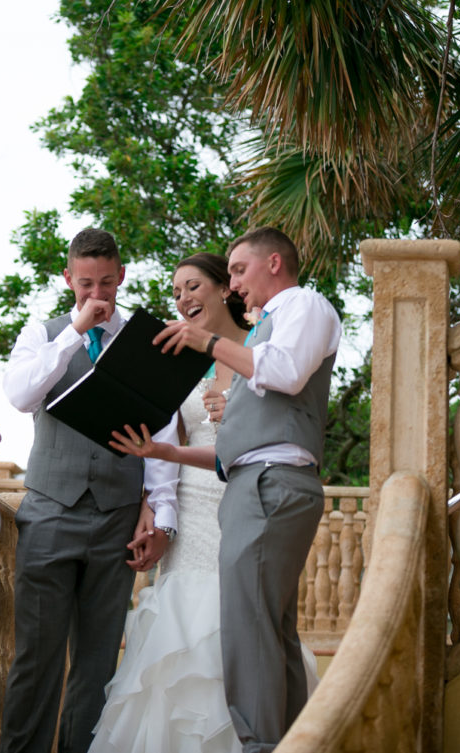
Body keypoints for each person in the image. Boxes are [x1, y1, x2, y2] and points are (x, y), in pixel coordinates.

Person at [110, 228, 341, 753]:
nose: (235, 284)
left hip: (268, 483)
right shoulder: (267, 328)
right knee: (267, 629)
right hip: (247, 480)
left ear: (274, 263)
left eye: (238, 270)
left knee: (248, 629)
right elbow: (230, 444)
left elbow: (281, 372)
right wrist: (165, 454)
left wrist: (210, 343)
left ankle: (259, 745)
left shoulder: (302, 304)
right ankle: (285, 741)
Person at [0, 227, 180, 753]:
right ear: (67, 279)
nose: (96, 294)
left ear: (121, 276)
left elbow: (162, 431)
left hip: (117, 518)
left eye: (105, 283)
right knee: (37, 657)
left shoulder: (147, 342)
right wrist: (75, 332)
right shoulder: (43, 333)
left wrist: (160, 514)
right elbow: (20, 394)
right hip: (51, 511)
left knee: (98, 662)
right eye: (85, 284)